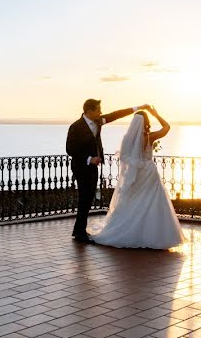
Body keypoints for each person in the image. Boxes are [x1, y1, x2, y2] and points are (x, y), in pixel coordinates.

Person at [92, 106, 184, 249]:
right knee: (152, 202)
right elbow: (166, 127)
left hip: (137, 174)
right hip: (149, 172)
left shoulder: (128, 138)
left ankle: (131, 232)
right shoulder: (150, 137)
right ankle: (153, 235)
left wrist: (134, 166)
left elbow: (123, 156)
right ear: (146, 122)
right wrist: (156, 114)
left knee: (134, 201)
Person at [66, 99, 147, 243]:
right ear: (89, 111)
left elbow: (115, 115)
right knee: (85, 198)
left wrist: (137, 108)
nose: (101, 113)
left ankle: (79, 230)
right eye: (98, 110)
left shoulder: (98, 122)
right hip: (81, 167)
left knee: (88, 198)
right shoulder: (76, 127)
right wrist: (89, 158)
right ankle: (80, 233)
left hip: (93, 167)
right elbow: (70, 149)